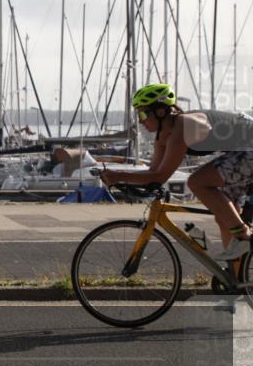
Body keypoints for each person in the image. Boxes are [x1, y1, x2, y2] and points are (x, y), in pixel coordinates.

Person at [100, 83, 253, 260]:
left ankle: (244, 236)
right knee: (225, 218)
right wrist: (119, 178)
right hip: (240, 150)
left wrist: (118, 176)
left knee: (197, 182)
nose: (140, 120)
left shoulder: (182, 126)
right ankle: (236, 280)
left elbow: (161, 176)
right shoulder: (162, 135)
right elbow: (153, 172)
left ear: (160, 111)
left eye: (142, 113)